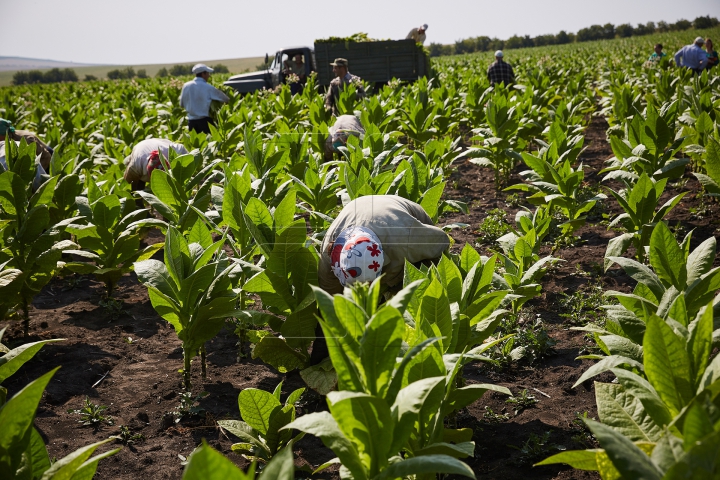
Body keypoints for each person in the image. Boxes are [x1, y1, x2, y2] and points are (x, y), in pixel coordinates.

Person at [310, 195, 450, 364]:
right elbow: (328, 309)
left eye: (369, 284)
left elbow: (442, 242)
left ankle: (412, 352)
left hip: (407, 220)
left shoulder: (408, 239)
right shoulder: (330, 253)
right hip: (360, 212)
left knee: (412, 295)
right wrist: (318, 358)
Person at [179, 64, 230, 134]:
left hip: (191, 123)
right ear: (203, 74)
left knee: (194, 143)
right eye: (208, 73)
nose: (209, 75)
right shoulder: (208, 87)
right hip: (204, 123)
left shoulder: (186, 86)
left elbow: (181, 104)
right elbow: (225, 99)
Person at [123, 138, 188, 191]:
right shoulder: (136, 166)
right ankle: (139, 203)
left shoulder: (177, 152)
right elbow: (127, 183)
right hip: (140, 147)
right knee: (136, 185)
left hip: (159, 142)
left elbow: (189, 158)